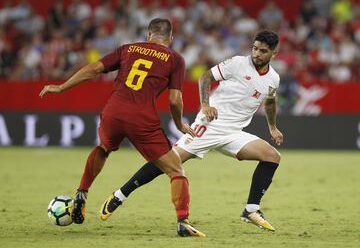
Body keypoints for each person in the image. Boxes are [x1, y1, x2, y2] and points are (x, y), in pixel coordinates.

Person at [102, 30, 284, 232]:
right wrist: (205, 105)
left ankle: (251, 210)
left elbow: (269, 103)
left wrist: (273, 127)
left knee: (271, 156)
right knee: (169, 161)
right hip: (210, 125)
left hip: (234, 131)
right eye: (255, 48)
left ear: (274, 53)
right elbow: (205, 78)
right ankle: (119, 195)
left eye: (263, 51)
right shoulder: (238, 63)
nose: (257, 54)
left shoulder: (273, 79)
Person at [39, 18, 205, 237]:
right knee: (176, 170)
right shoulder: (175, 59)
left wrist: (61, 87)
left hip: (113, 111)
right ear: (171, 38)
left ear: (148, 35)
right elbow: (175, 100)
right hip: (142, 118)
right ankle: (183, 221)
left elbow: (93, 69)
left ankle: (82, 191)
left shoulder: (128, 49)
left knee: (103, 148)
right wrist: (178, 124)